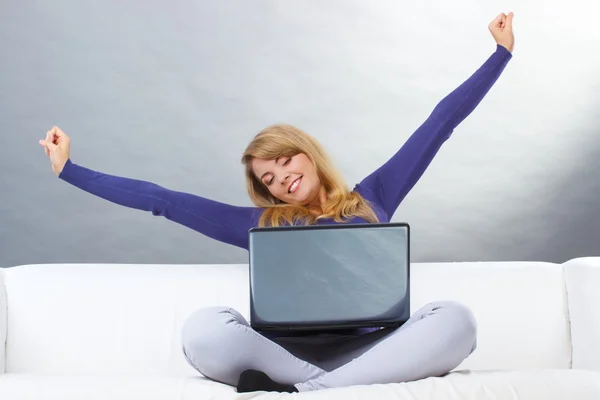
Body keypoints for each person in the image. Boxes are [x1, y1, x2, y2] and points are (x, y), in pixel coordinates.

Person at [39, 12, 515, 393]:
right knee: (204, 329)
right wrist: (69, 170)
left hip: (375, 350)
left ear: (308, 155)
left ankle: (304, 392)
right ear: (265, 190)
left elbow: (440, 123)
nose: (283, 179)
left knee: (456, 320)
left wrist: (500, 54)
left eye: (286, 162)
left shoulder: (374, 197)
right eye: (269, 178)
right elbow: (163, 201)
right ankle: (327, 386)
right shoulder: (261, 223)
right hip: (284, 356)